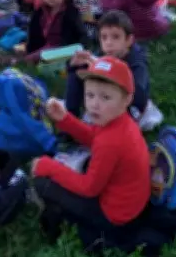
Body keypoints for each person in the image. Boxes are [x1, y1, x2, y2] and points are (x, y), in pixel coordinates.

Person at [32, 56, 151, 242]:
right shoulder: (120, 121)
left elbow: (89, 188)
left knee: (42, 182)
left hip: (114, 217)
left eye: (105, 97)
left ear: (127, 99)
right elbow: (94, 137)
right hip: (132, 203)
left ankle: (53, 230)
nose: (95, 104)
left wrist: (48, 167)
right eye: (90, 95)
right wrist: (65, 119)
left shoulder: (111, 141)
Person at [66, 10, 151, 122]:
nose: (109, 43)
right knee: (76, 74)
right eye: (104, 37)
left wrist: (112, 73)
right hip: (101, 100)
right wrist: (74, 66)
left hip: (127, 109)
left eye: (115, 37)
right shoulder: (102, 54)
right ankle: (71, 119)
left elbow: (139, 97)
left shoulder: (136, 62)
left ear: (128, 40)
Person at [25, 0, 88, 64]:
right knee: (34, 53)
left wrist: (80, 49)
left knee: (39, 56)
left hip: (63, 48)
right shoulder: (39, 12)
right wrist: (30, 49)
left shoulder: (71, 12)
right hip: (44, 46)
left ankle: (17, 60)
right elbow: (32, 34)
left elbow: (82, 35)